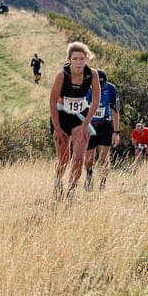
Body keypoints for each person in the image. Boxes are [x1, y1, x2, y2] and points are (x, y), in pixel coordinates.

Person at [49, 42, 101, 200]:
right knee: (64, 159)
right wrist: (57, 128)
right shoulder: (62, 75)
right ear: (69, 59)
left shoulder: (92, 74)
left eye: (82, 58)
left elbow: (96, 101)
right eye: (75, 59)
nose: (79, 62)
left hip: (80, 116)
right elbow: (52, 101)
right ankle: (58, 181)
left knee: (78, 159)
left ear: (87, 58)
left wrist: (85, 125)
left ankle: (71, 192)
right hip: (61, 115)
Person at [83, 69, 120, 191]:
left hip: (105, 125)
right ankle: (89, 176)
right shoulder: (85, 87)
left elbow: (115, 110)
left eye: (101, 85)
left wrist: (116, 132)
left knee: (104, 158)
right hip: (90, 126)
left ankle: (103, 183)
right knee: (89, 159)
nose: (99, 88)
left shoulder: (111, 89)